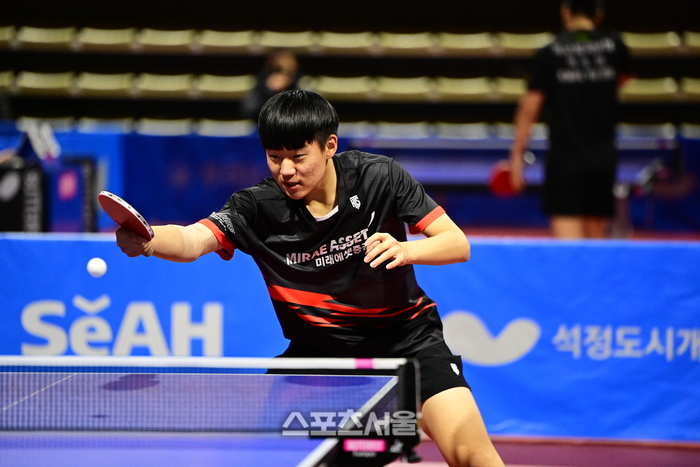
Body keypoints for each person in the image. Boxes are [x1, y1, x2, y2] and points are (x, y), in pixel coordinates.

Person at [115, 90, 505, 467]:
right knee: (284, 460)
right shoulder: (256, 208)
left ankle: (399, 417)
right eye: (274, 157)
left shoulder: (379, 177)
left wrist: (407, 250)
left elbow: (457, 244)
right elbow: (193, 240)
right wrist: (149, 240)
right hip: (318, 357)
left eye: (298, 157)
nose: (286, 170)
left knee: (472, 456)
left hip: (408, 342)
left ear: (329, 145)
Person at [509, 0, 632, 239]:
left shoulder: (550, 52)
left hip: (564, 162)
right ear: (598, 14)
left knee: (568, 249)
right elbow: (623, 80)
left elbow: (529, 109)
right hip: (602, 158)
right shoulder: (616, 47)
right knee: (595, 247)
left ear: (565, 12)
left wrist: (516, 158)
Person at [239, 50, 302, 120]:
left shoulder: (301, 81)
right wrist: (268, 91)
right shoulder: (261, 80)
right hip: (263, 122)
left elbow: (305, 112)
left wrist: (290, 87)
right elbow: (248, 110)